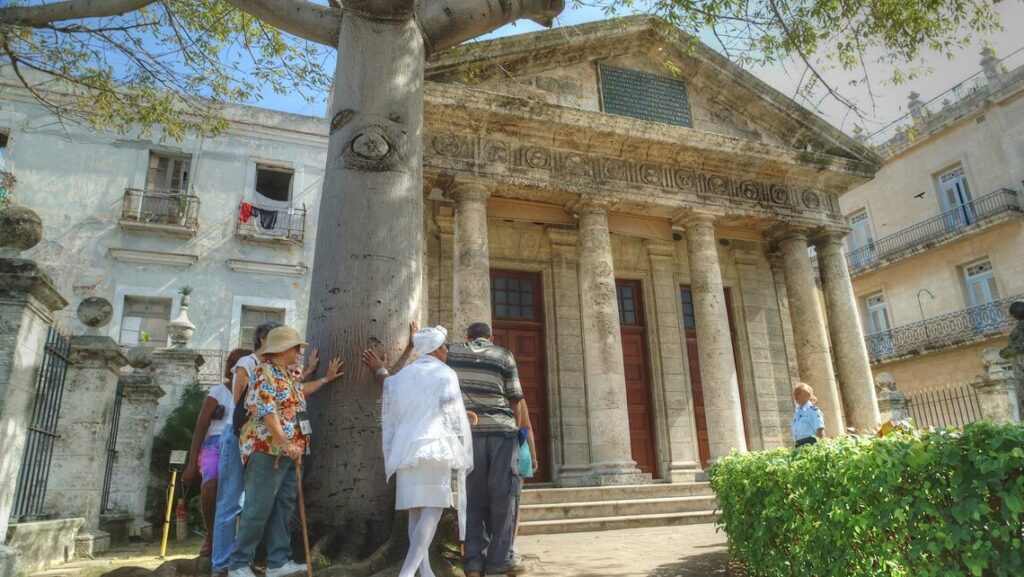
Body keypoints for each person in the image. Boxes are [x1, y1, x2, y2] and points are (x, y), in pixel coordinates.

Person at [228, 326, 342, 577]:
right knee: (258, 507)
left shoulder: (285, 375)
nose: (299, 352)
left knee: (284, 507)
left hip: (291, 452)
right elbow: (267, 412)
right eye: (296, 348)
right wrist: (285, 442)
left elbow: (299, 395)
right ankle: (238, 564)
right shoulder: (263, 373)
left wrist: (325, 380)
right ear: (281, 350)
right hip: (268, 450)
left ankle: (278, 562)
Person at [362, 325, 473, 577]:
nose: (446, 351)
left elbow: (388, 384)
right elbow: (449, 407)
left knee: (416, 510)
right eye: (444, 346)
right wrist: (462, 419)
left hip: (406, 447)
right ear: (435, 349)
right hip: (433, 446)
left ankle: (425, 571)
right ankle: (408, 572)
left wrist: (379, 368)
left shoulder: (404, 376)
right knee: (433, 508)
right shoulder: (445, 374)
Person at [446, 322, 529, 577]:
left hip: (471, 434)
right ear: (490, 338)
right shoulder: (504, 355)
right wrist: (520, 432)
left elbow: (433, 350)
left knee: (473, 499)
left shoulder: (454, 353)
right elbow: (515, 398)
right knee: (503, 497)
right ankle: (499, 561)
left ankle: (473, 564)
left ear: (467, 337)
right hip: (501, 433)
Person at [183, 348, 252, 560]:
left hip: (243, 443)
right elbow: (200, 428)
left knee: (241, 497)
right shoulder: (218, 392)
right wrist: (192, 463)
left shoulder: (254, 390)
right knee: (209, 488)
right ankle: (212, 535)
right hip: (215, 443)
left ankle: (239, 542)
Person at [791, 383, 825, 448]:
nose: (795, 396)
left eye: (798, 394)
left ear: (808, 395)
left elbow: (820, 431)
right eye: (794, 394)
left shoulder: (813, 411)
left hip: (811, 446)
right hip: (799, 446)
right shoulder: (797, 412)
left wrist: (821, 449)